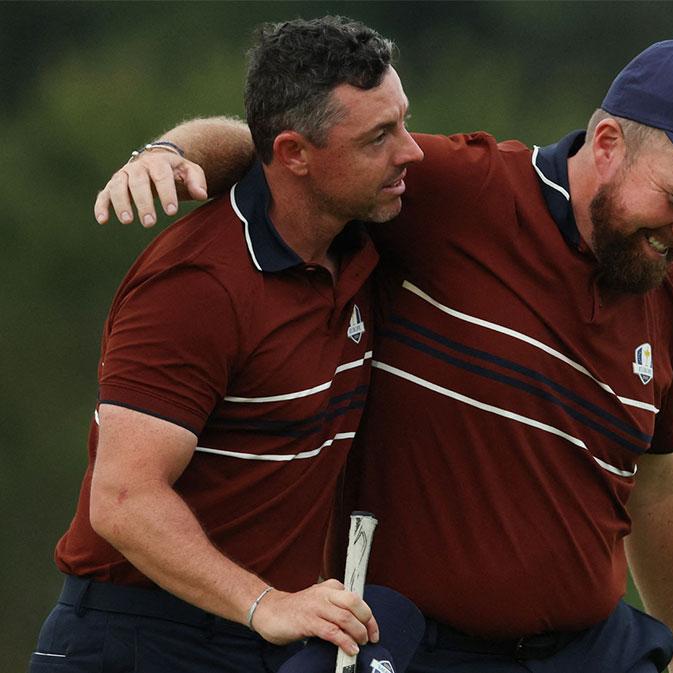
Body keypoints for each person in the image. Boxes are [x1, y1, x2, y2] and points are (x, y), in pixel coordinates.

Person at [95, 37, 673, 673]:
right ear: (607, 142)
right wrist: (171, 154)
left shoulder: (665, 287)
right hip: (417, 647)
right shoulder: (459, 190)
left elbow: (659, 479)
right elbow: (293, 153)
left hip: (590, 651)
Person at [32, 17, 426, 673]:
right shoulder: (197, 285)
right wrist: (264, 602)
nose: (410, 151)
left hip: (253, 633)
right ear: (297, 154)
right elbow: (124, 500)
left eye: (403, 121)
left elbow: (246, 146)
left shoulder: (355, 240)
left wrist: (177, 147)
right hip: (136, 638)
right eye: (379, 137)